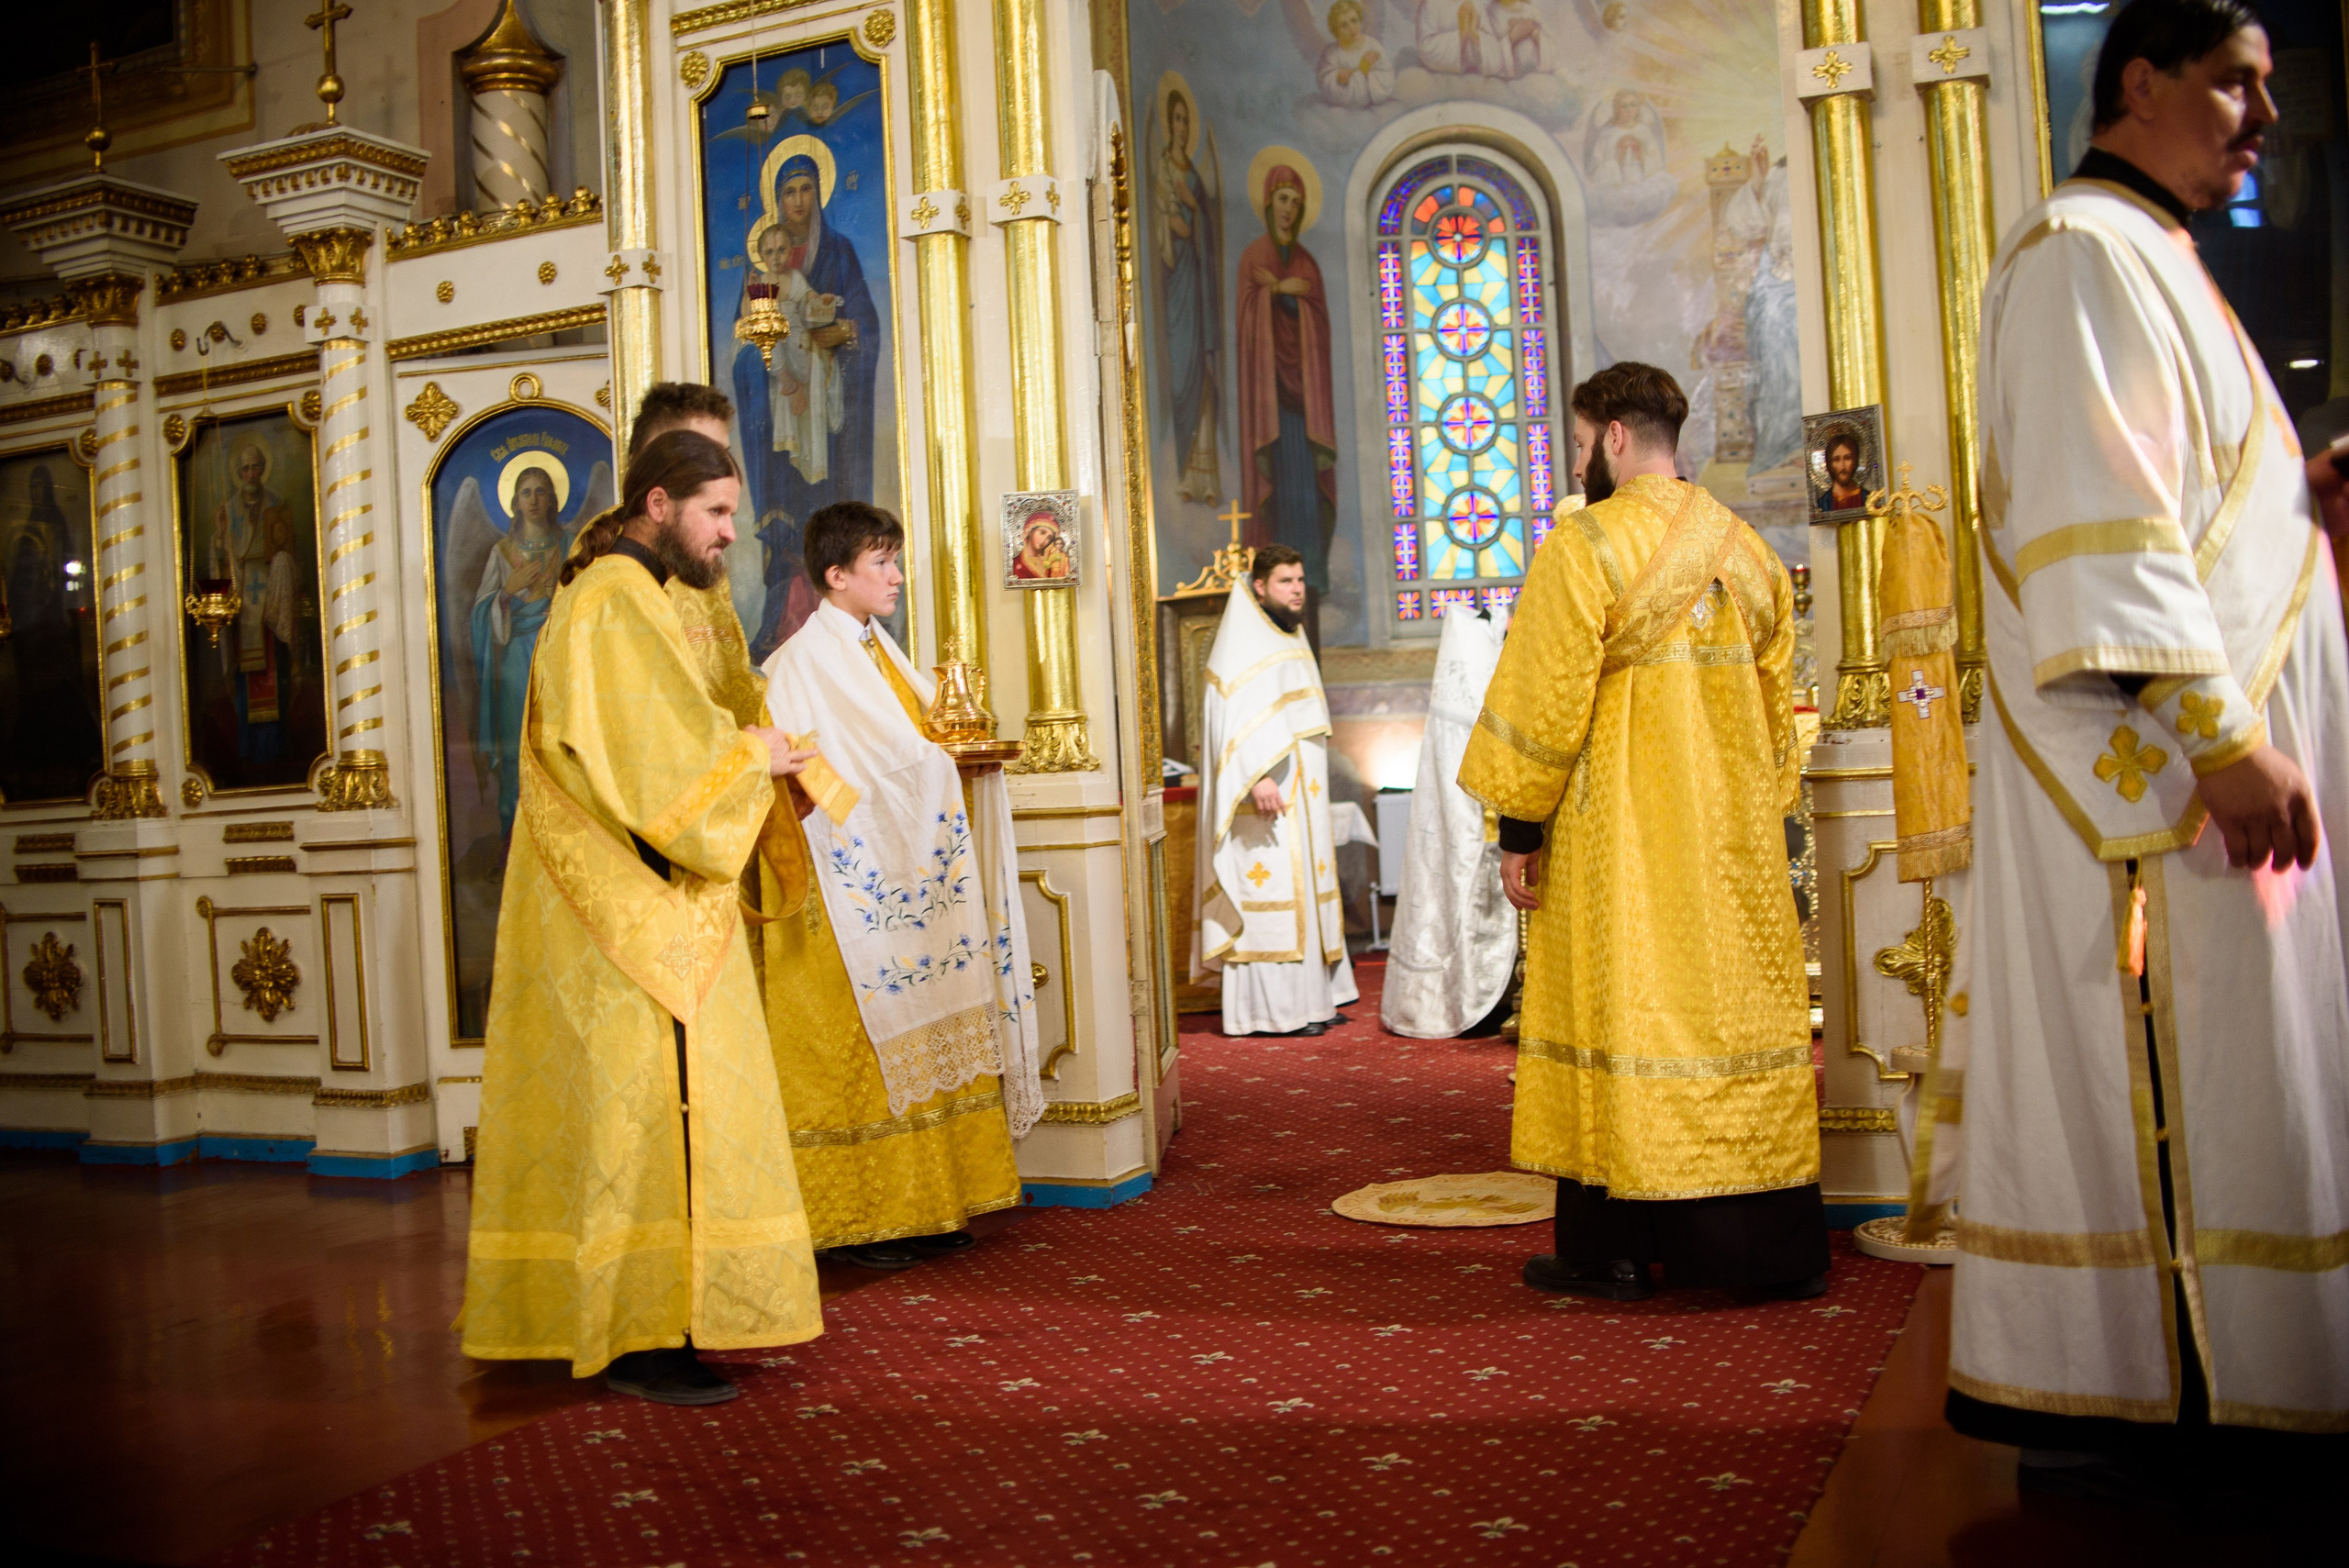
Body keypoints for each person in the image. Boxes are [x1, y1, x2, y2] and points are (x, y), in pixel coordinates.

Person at [1954, 0, 2349, 1486]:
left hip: (2216, 783)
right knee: (2199, 1074)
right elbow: (2098, 530)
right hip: (2167, 798)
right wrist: (2226, 744)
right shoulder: (2080, 253)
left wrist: (2304, 498)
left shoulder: (2163, 261)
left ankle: (2257, 1382)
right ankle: (2181, 1398)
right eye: (2232, 82)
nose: (2261, 113)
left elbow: (2189, 510)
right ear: (2139, 80)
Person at [461, 429, 824, 1406]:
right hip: (626, 905)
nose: (727, 535)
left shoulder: (634, 594)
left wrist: (750, 753)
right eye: (714, 515)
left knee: (645, 1109)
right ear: (657, 505)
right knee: (639, 1112)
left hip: (630, 892)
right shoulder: (616, 600)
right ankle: (637, 1330)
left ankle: (658, 1313)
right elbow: (649, 759)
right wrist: (755, 759)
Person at [1457, 362, 1825, 1303]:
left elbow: (1540, 707)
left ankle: (1611, 1248)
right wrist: (1750, 811)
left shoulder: (1584, 547)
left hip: (1618, 839)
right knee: (1726, 1018)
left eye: (1579, 446)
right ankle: (1749, 1251)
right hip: (1732, 847)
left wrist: (1517, 829)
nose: (1579, 464)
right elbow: (1779, 721)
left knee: (1618, 1010)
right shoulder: (1746, 550)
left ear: (1614, 437)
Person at [760, 501, 1041, 1270]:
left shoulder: (883, 651)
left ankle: (932, 1202)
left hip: (909, 879)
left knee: (924, 1026)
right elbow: (812, 774)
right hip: (841, 893)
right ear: (835, 574)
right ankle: (866, 1220)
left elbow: (919, 746)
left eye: (896, 558)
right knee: (859, 1052)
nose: (896, 575)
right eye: (880, 562)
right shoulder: (796, 665)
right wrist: (919, 780)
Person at [1193, 543, 1358, 1037]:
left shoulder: (1290, 634)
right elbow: (1231, 725)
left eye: (1301, 580)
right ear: (1259, 586)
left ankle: (1313, 1002)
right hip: (1263, 796)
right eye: (1286, 581)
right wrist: (1257, 777)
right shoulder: (1241, 641)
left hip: (1302, 795)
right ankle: (1273, 1012)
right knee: (1273, 897)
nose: (1297, 589)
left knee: (1304, 890)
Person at [731, 148, 881, 662]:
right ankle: (783, 620)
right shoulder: (760, 272)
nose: (798, 200)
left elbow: (860, 319)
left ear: (819, 195)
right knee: (784, 516)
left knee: (826, 511)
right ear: (776, 200)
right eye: (788, 191)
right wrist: (774, 370)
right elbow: (743, 343)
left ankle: (837, 622)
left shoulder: (837, 252)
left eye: (806, 190)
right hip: (777, 418)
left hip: (826, 412)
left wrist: (844, 333)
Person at [1381, 598, 1516, 1039]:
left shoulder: (1487, 663)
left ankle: (1499, 994)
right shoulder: (1466, 682)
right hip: (1474, 826)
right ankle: (1472, 995)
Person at [1235, 164, 1337, 597]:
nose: (1289, 210)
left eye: (1296, 202)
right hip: (1270, 400)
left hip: (1303, 402)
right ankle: (1274, 574)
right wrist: (1273, 294)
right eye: (1282, 199)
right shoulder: (1254, 257)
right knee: (1278, 487)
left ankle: (1307, 574)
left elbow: (1317, 326)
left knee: (1305, 494)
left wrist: (1294, 294)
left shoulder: (1307, 263)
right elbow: (1246, 321)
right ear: (1267, 203)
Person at [471, 464, 571, 835]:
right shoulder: (502, 552)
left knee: (561, 746)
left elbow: (589, 601)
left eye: (541, 491)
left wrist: (558, 603)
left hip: (559, 656)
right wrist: (507, 591)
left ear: (552, 500)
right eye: (525, 492)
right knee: (516, 749)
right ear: (514, 502)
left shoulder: (569, 544)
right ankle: (512, 840)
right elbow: (480, 613)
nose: (533, 499)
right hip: (517, 662)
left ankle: (564, 837)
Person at [1153, 83, 1224, 502]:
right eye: (1175, 119)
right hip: (1173, 282)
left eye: (1185, 120)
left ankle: (1202, 475)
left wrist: (1194, 211)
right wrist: (1169, 225)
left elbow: (1206, 228)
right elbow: (1159, 220)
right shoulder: (1162, 169)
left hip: (1194, 284)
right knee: (1180, 372)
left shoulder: (1193, 178)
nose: (1180, 127)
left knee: (1199, 373)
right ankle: (1180, 469)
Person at [211, 442, 295, 762]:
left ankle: (274, 753)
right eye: (245, 468)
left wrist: (282, 568)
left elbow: (290, 552)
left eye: (256, 467)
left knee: (274, 679)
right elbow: (219, 558)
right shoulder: (228, 510)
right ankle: (248, 753)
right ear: (238, 473)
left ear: (263, 469)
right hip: (241, 599)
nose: (250, 474)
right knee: (245, 685)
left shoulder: (276, 505)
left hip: (270, 603)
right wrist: (220, 535)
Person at [1316, 1, 1395, 108]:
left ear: (1360, 19)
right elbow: (1324, 80)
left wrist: (1368, 74)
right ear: (1336, 30)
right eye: (1344, 25)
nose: (1352, 28)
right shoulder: (1331, 53)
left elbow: (1388, 76)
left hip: (1375, 107)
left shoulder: (1373, 46)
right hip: (1343, 111)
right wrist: (1338, 79)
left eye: (1354, 21)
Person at [1812, 428, 1866, 515]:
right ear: (1830, 464)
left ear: (1855, 461)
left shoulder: (1868, 499)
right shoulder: (1822, 504)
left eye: (1847, 458)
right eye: (1836, 459)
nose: (1842, 466)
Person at [1010, 511, 1070, 581]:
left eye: (1049, 537)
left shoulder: (1052, 560)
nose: (1044, 540)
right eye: (1042, 532)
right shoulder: (1015, 563)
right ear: (1029, 531)